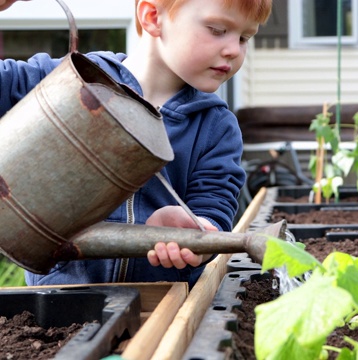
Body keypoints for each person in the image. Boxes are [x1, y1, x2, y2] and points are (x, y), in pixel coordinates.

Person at [0, 0, 272, 287]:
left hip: (164, 310)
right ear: (153, 17)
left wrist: (196, 232)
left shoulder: (216, 127)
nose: (233, 50)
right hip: (61, 305)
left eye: (244, 38)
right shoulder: (64, 82)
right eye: (217, 29)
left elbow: (215, 208)